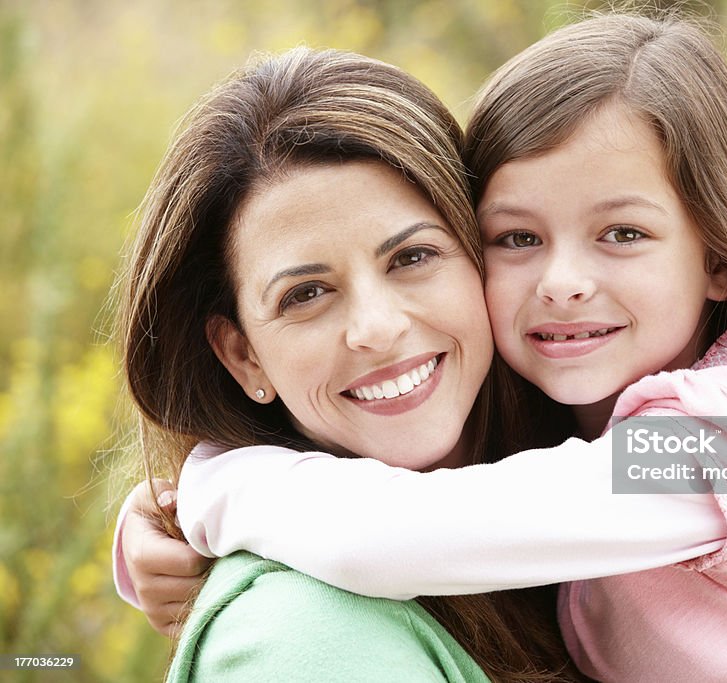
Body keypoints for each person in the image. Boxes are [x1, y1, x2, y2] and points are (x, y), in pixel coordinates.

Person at [118, 13, 727, 682]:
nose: (562, 280)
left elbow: (392, 538)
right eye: (517, 238)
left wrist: (217, 482)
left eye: (623, 233)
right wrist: (152, 534)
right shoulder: (582, 428)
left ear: (720, 257)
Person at [114, 45, 582, 682]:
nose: (377, 329)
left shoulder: (667, 425)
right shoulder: (301, 642)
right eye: (305, 294)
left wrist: (219, 491)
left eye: (412, 257)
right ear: (243, 355)